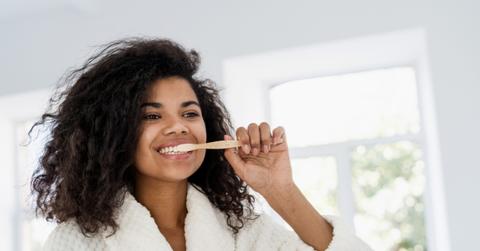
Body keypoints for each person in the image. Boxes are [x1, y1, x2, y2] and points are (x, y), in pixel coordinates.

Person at [31, 37, 372, 251]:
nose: (178, 126)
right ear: (114, 134)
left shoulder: (242, 233)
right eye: (152, 116)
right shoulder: (78, 241)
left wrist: (279, 190)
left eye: (190, 113)